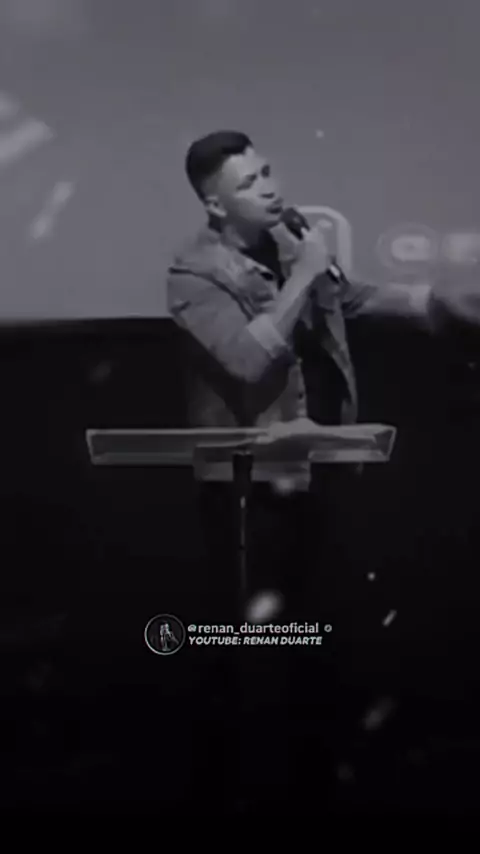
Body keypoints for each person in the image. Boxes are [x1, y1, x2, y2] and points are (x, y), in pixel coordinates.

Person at [165, 130, 446, 623]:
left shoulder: (289, 242)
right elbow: (248, 360)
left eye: (266, 173)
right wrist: (303, 275)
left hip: (315, 460)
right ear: (216, 205)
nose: (269, 188)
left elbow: (346, 298)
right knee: (260, 629)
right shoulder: (194, 275)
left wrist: (432, 303)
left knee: (321, 619)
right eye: (249, 183)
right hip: (249, 484)